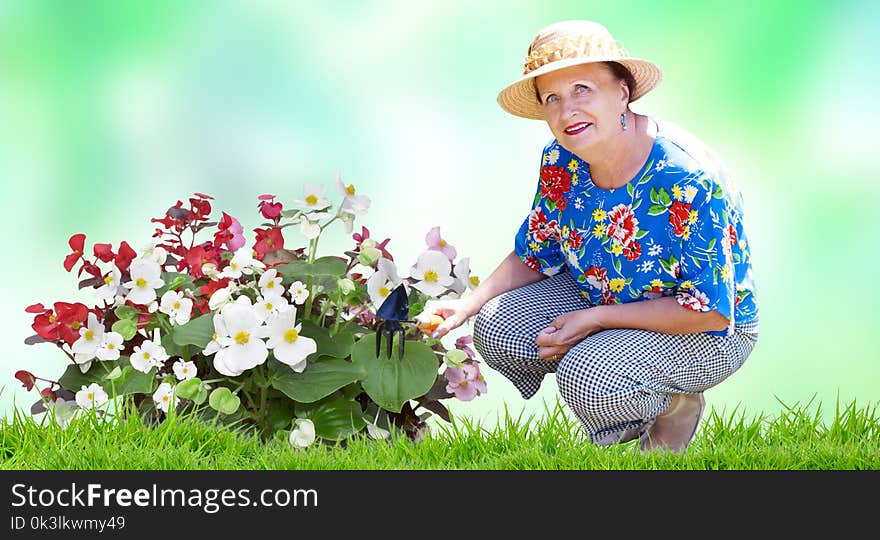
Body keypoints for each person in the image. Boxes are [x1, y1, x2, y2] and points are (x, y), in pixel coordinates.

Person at [417, 20, 759, 452]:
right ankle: (623, 374)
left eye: (583, 89)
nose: (566, 112)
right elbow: (536, 250)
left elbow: (711, 312)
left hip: (707, 329)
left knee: (590, 374)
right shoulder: (561, 158)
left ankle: (670, 400)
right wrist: (465, 305)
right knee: (496, 325)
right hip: (601, 290)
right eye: (552, 99)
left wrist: (596, 321)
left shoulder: (686, 176)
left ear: (622, 91)